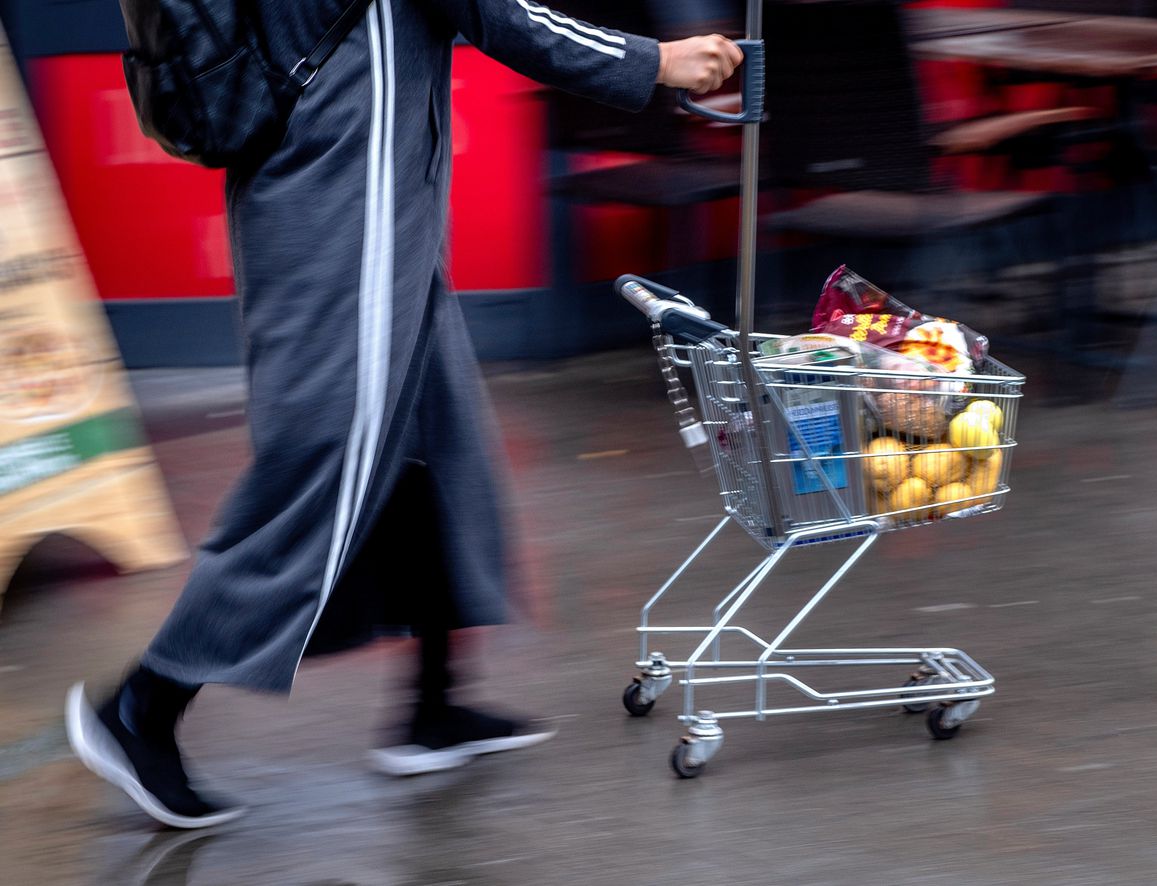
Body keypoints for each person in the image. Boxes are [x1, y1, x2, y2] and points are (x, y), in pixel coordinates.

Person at [65, 0, 743, 829]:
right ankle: (144, 705)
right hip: (339, 190)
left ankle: (433, 706)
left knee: (432, 434)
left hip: (363, 182)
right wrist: (653, 62)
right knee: (329, 461)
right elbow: (494, 10)